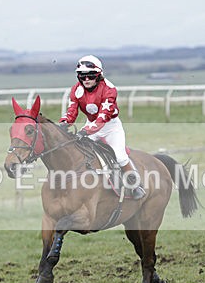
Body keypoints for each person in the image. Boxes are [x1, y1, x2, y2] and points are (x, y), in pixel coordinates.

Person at [59, 55, 146, 200]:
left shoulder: (109, 89)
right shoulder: (76, 90)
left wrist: (85, 131)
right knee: (78, 151)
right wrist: (63, 124)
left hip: (110, 127)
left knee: (120, 156)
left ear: (99, 75)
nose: (86, 79)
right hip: (90, 125)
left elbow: (103, 117)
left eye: (90, 75)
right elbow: (71, 112)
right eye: (82, 76)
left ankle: (135, 185)